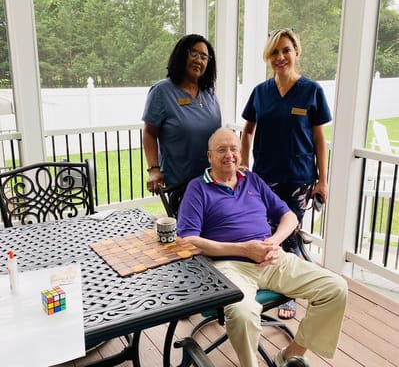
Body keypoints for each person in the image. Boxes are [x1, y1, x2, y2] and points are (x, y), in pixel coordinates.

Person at [177, 128, 347, 367]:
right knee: (242, 313)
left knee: (335, 288)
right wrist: (244, 249)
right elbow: (188, 240)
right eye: (222, 150)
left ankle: (289, 356)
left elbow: (289, 217)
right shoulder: (198, 189)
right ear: (209, 156)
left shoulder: (252, 180)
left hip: (273, 258)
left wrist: (273, 242)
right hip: (229, 266)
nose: (230, 155)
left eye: (234, 149)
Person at [241, 28, 332, 320]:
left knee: (289, 233)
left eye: (286, 50)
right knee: (263, 231)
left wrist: (323, 180)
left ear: (296, 52)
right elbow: (247, 131)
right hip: (264, 176)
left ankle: (289, 293)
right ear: (269, 57)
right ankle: (262, 283)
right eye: (274, 52)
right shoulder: (260, 92)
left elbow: (319, 139)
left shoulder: (311, 91)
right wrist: (243, 165)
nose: (280, 57)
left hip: (298, 177)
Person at [142, 34, 221, 194]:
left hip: (211, 181)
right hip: (180, 183)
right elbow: (149, 132)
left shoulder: (210, 93)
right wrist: (153, 169)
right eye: (194, 53)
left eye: (204, 57)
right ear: (181, 55)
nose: (199, 60)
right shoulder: (162, 91)